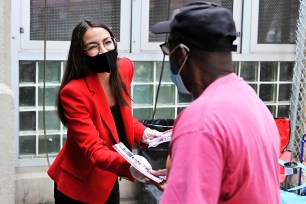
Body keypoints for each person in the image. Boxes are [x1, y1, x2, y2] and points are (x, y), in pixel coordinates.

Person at [149, 2, 281, 203]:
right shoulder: (250, 99)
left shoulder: (200, 120)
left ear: (181, 54)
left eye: (169, 50)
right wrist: (185, 177)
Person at [47, 19, 162, 204]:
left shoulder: (124, 68)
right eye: (93, 46)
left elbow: (115, 118)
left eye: (107, 42)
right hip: (78, 185)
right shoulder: (74, 92)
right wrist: (132, 165)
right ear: (81, 53)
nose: (103, 51)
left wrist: (142, 132)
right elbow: (93, 149)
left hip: (109, 175)